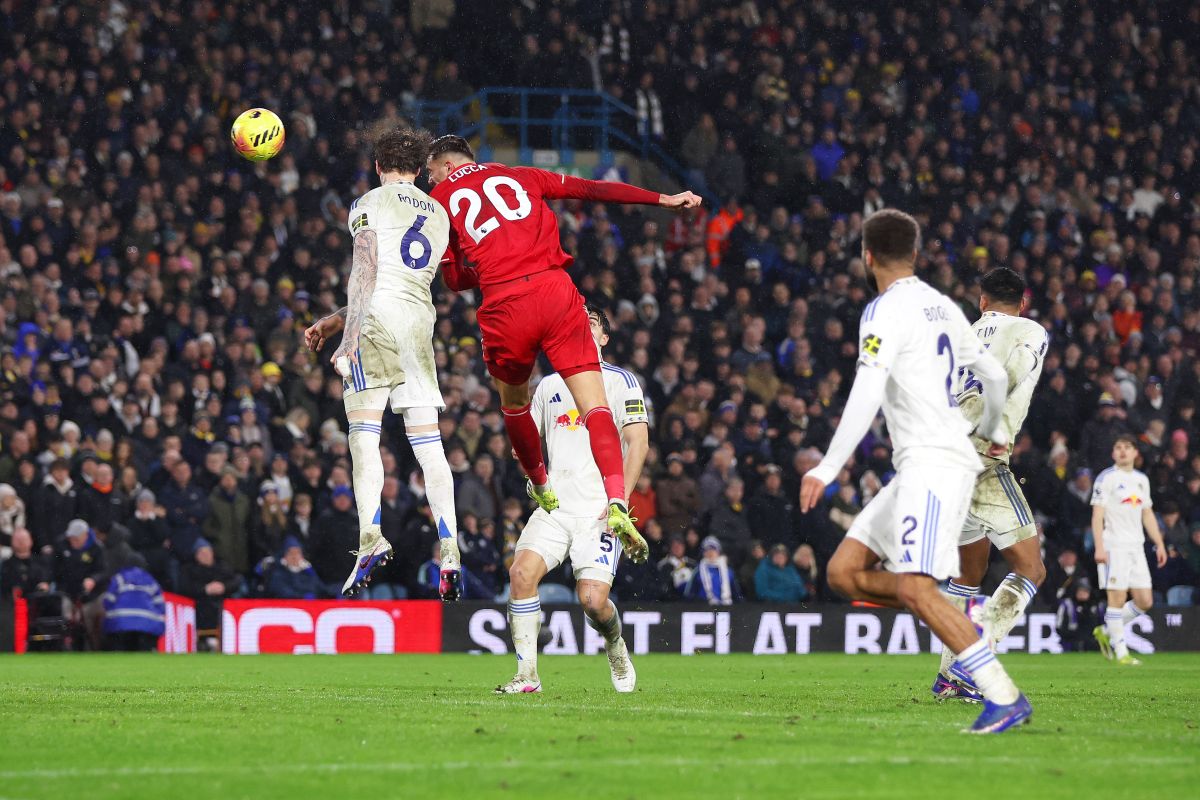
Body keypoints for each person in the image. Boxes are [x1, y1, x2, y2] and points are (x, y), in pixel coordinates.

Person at [798, 209, 1030, 734]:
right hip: (923, 465)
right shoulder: (943, 306)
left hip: (935, 463)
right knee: (842, 573)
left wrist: (828, 465)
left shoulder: (884, 310)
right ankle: (947, 610)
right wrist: (993, 428)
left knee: (913, 588)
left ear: (867, 256)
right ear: (915, 254)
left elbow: (867, 388)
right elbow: (993, 374)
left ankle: (1003, 695)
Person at [426, 134, 698, 565]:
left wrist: (471, 264)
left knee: (514, 405)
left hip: (506, 303)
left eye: (430, 171)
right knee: (596, 409)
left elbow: (455, 281)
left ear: (443, 165)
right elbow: (591, 189)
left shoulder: (438, 199)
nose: (431, 178)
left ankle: (540, 482)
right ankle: (615, 498)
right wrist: (662, 199)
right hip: (556, 291)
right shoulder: (521, 175)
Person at [304, 126, 462, 601]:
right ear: (418, 170)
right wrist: (336, 320)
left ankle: (370, 535)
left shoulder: (369, 202)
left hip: (373, 323)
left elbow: (368, 268)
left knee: (364, 433)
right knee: (428, 443)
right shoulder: (438, 212)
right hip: (418, 325)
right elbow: (403, 277)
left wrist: (348, 337)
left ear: (378, 167)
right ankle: (451, 546)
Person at [497, 304, 649, 694]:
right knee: (520, 574)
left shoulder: (621, 381)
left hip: (599, 511)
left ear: (603, 338)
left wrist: (620, 501)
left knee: (594, 601)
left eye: (593, 321)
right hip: (556, 507)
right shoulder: (549, 385)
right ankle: (527, 675)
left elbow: (637, 442)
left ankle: (614, 643)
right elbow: (525, 443)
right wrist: (535, 476)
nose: (585, 323)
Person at [932, 268, 1050, 699]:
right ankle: (971, 664)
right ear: (1024, 300)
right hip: (981, 456)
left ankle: (949, 677)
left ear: (981, 302)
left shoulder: (960, 336)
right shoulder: (1029, 329)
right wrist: (993, 425)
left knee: (969, 573)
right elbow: (1011, 373)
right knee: (1032, 568)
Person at [1091, 436, 1167, 665]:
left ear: (1135, 453)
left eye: (1127, 448)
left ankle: (1105, 630)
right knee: (1117, 597)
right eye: (1118, 448)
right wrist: (1099, 547)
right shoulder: (1107, 478)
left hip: (1137, 547)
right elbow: (1097, 515)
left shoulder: (1142, 480)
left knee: (1145, 601)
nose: (1122, 452)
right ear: (1113, 453)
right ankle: (1121, 653)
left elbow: (1147, 513)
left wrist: (1160, 543)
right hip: (1114, 545)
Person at [179, 538, 244, 635]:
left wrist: (224, 587)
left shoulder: (222, 566)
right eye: (201, 553)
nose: (205, 555)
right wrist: (205, 589)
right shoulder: (189, 570)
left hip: (223, 605)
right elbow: (185, 588)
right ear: (196, 556)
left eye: (207, 551)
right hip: (201, 607)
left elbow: (237, 580)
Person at [684, 536, 741, 605]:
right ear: (703, 553)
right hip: (702, 610)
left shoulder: (728, 571)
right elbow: (689, 594)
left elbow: (737, 594)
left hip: (724, 609)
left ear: (718, 551)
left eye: (713, 549)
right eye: (707, 549)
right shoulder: (698, 571)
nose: (710, 552)